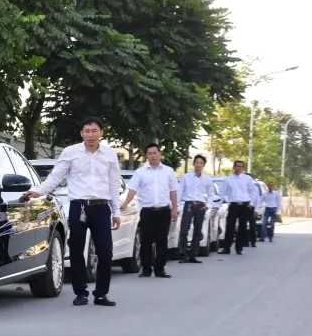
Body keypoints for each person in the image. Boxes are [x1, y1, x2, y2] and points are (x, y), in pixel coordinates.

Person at [24, 117, 121, 307]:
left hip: (101, 207)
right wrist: (38, 191)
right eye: (87, 131)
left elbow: (113, 185)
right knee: (76, 249)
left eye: (94, 131)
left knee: (105, 251)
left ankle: (101, 293)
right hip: (79, 206)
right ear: (81, 133)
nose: (90, 135)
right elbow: (55, 177)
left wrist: (116, 211)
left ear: (101, 133)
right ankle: (81, 292)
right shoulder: (71, 153)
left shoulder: (110, 155)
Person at [120, 144, 178, 278]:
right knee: (146, 241)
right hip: (147, 211)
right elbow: (132, 189)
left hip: (163, 211)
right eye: (149, 153)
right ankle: (146, 268)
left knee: (162, 241)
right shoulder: (140, 172)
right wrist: (125, 204)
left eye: (154, 153)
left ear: (160, 154)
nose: (152, 156)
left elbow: (173, 191)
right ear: (147, 155)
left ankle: (160, 269)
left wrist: (175, 209)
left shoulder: (168, 171)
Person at [175, 154, 214, 263]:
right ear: (194, 164)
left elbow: (211, 194)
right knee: (184, 229)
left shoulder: (207, 179)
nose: (198, 165)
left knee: (197, 230)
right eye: (197, 162)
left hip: (200, 205)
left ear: (203, 165)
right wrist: (177, 206)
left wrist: (208, 206)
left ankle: (193, 254)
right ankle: (183, 254)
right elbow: (179, 191)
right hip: (188, 204)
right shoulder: (186, 177)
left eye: (201, 163)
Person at [219, 160, 254, 255]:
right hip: (233, 205)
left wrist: (251, 203)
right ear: (234, 167)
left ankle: (239, 248)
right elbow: (222, 193)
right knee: (230, 227)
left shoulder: (247, 179)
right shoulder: (228, 179)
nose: (239, 168)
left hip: (245, 205)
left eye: (241, 166)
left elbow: (253, 191)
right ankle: (226, 248)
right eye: (237, 166)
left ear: (243, 168)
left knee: (242, 228)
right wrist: (223, 202)